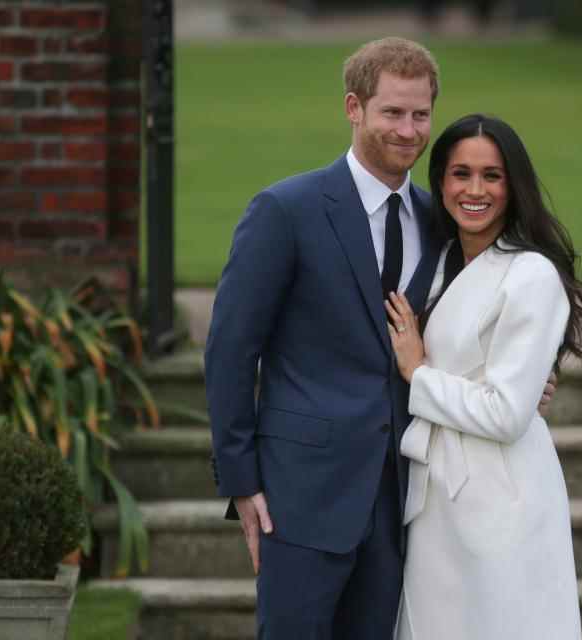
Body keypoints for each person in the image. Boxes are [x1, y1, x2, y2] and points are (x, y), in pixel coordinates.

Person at [205, 39, 556, 639]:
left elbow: (454, 330)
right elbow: (231, 351)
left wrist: (513, 377)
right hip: (302, 497)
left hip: (404, 502)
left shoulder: (438, 219)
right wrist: (243, 484)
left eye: (420, 114)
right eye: (392, 112)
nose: (408, 129)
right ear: (354, 108)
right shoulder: (285, 210)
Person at [385, 113, 582, 640]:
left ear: (513, 185)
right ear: (441, 182)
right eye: (460, 174)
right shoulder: (438, 260)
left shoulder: (532, 274)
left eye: (491, 176)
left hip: (499, 496)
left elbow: (504, 413)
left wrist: (419, 374)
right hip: (434, 492)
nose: (474, 190)